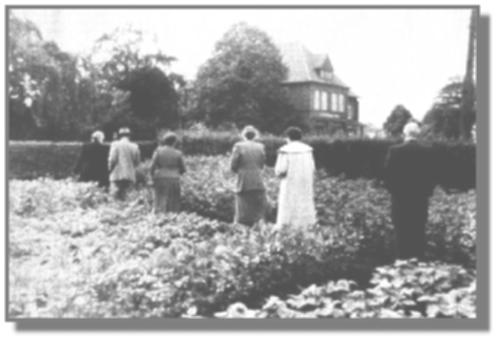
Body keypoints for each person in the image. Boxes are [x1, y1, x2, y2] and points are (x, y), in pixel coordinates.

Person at [384, 122, 435, 260]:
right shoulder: (427, 151)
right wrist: (426, 193)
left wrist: (395, 193)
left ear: (404, 134)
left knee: (401, 234)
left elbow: (388, 177)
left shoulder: (394, 151)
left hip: (400, 201)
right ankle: (418, 266)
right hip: (420, 200)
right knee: (418, 233)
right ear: (418, 134)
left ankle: (401, 266)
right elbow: (432, 177)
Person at [274, 127, 316, 228]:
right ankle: (305, 225)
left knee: (289, 203)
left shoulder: (285, 150)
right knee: (304, 201)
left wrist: (279, 174)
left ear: (288, 137)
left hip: (290, 182)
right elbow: (312, 167)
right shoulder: (307, 150)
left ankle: (287, 225)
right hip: (305, 182)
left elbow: (280, 170)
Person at [230, 125, 267, 226]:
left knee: (242, 208)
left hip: (243, 180)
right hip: (258, 180)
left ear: (243, 135)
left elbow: (233, 165)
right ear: (255, 135)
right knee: (256, 209)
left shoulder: (238, 146)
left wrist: (239, 171)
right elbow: (262, 163)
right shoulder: (261, 147)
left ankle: (242, 228)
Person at [150, 132, 186, 213]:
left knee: (160, 200)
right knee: (173, 202)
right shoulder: (178, 153)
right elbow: (183, 169)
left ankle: (159, 218)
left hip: (160, 177)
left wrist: (152, 177)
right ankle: (172, 219)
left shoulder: (158, 152)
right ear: (175, 142)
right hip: (174, 178)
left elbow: (152, 167)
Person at [108, 127, 141, 201]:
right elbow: (137, 162)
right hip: (129, 174)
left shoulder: (115, 144)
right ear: (129, 135)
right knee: (127, 196)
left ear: (119, 136)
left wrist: (110, 169)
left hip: (117, 174)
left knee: (114, 196)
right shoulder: (135, 146)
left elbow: (112, 159)